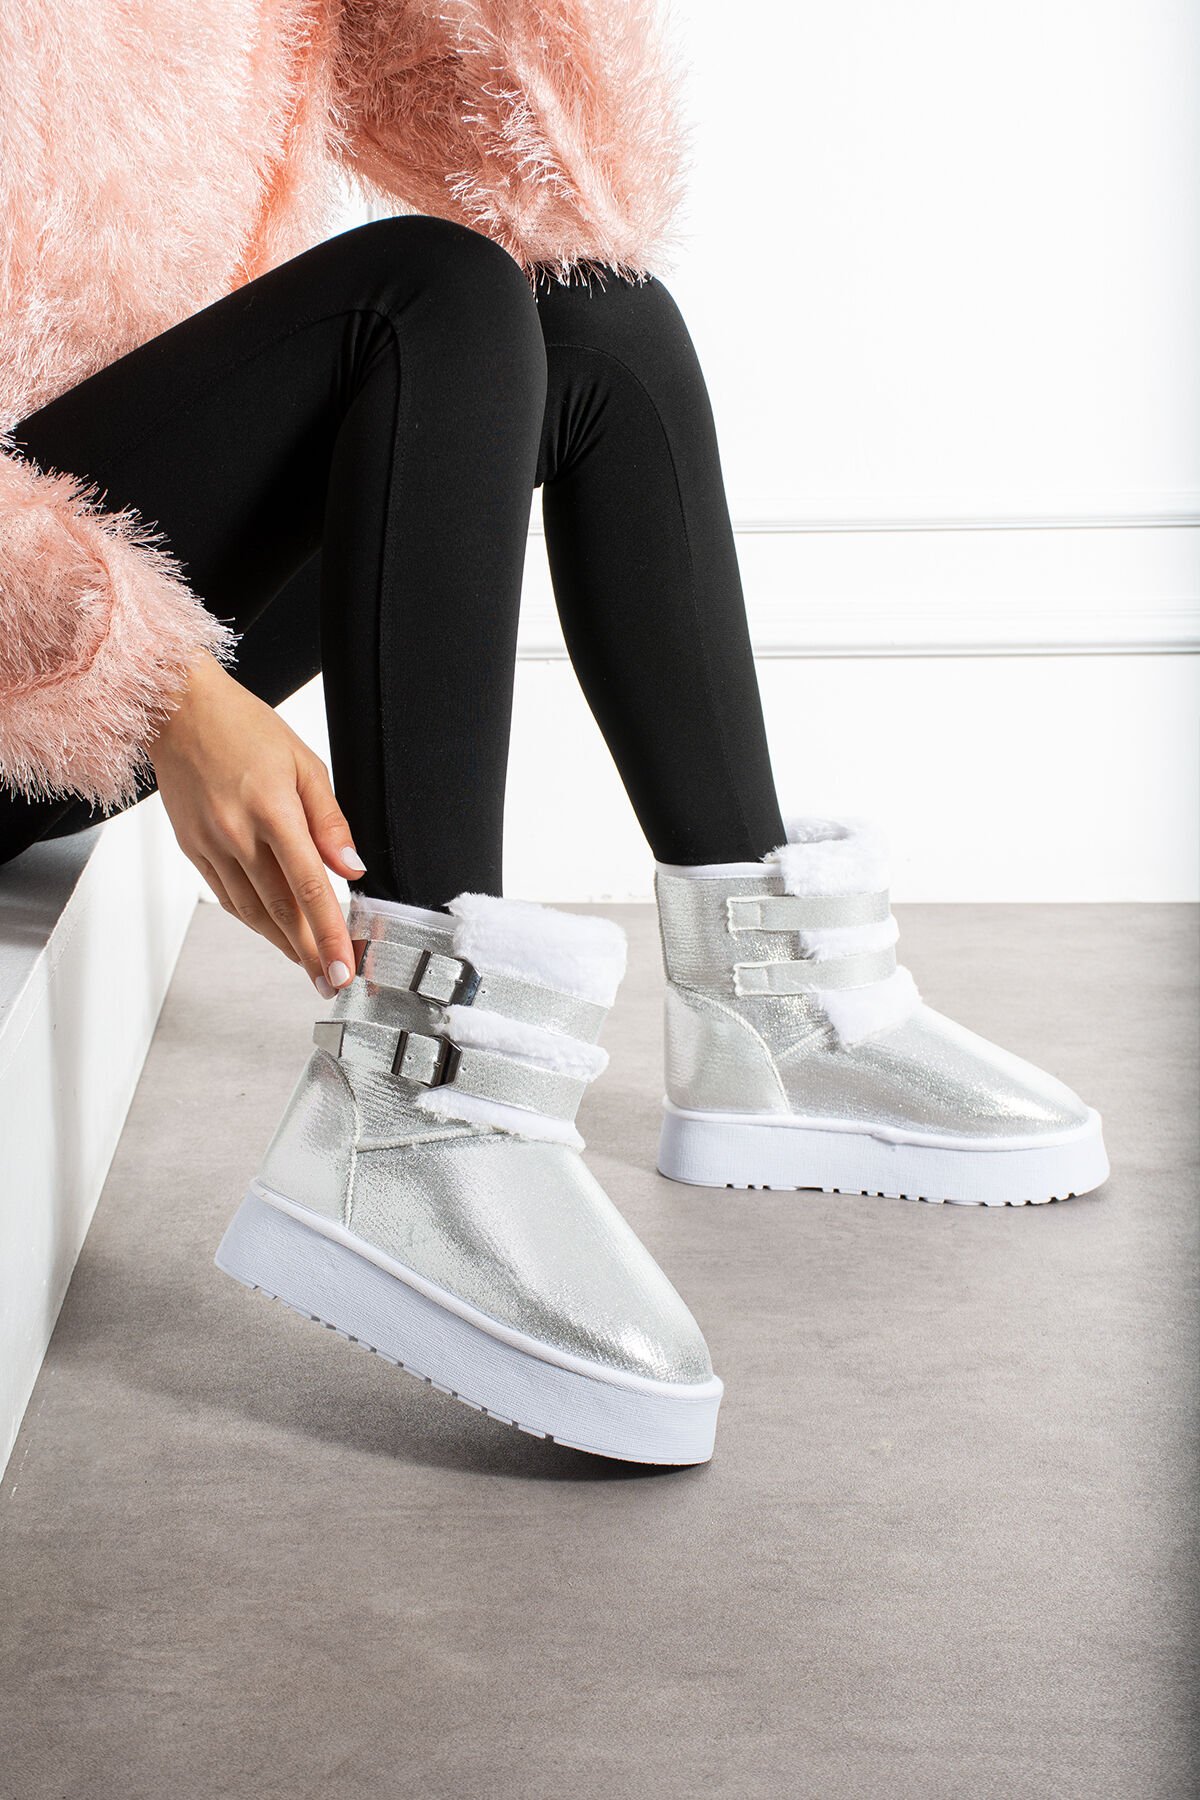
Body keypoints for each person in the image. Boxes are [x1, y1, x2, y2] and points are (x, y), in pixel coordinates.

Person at [0, 0, 1107, 1466]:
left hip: (102, 574)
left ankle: (767, 1008)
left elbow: (570, 182)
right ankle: (417, 1101)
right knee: (421, 291)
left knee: (594, 319)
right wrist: (154, 681)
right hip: (33, 630)